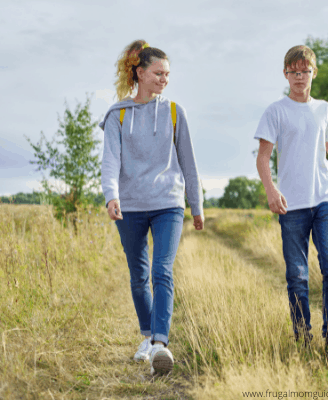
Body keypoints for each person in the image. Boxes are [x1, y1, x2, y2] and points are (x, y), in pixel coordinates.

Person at [254, 45, 328, 361]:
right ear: (286, 74)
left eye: (304, 71)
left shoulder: (324, 110)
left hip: (325, 201)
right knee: (297, 275)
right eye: (293, 72)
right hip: (291, 206)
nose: (299, 77)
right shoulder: (275, 111)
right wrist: (271, 191)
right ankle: (303, 339)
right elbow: (263, 158)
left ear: (313, 73)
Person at [99, 39, 205, 375]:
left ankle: (160, 344)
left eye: (168, 74)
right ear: (140, 73)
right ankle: (147, 335)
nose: (164, 79)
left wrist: (196, 205)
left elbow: (188, 161)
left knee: (162, 270)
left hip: (167, 204)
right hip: (130, 204)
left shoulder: (175, 111)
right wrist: (110, 195)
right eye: (158, 73)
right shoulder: (117, 115)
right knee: (138, 275)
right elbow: (110, 159)